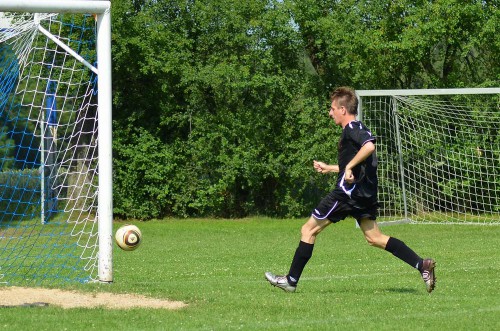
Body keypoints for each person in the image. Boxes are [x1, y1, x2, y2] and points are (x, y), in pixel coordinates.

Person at [265, 87, 436, 293]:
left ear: (343, 109)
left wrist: (346, 167)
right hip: (363, 196)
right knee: (374, 238)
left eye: (332, 109)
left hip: (346, 195)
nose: (330, 113)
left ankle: (291, 281)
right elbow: (357, 164)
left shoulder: (353, 128)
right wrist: (332, 168)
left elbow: (369, 146)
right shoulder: (356, 129)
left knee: (308, 230)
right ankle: (422, 265)